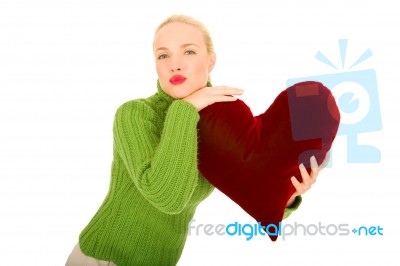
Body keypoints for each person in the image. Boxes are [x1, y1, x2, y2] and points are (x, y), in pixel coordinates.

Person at [65, 14, 327, 266]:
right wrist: (184, 111)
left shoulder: (222, 126)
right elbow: (167, 198)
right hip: (105, 258)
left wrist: (289, 193)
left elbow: (254, 190)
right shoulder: (135, 114)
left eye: (188, 51)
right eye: (163, 55)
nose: (174, 64)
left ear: (211, 61)